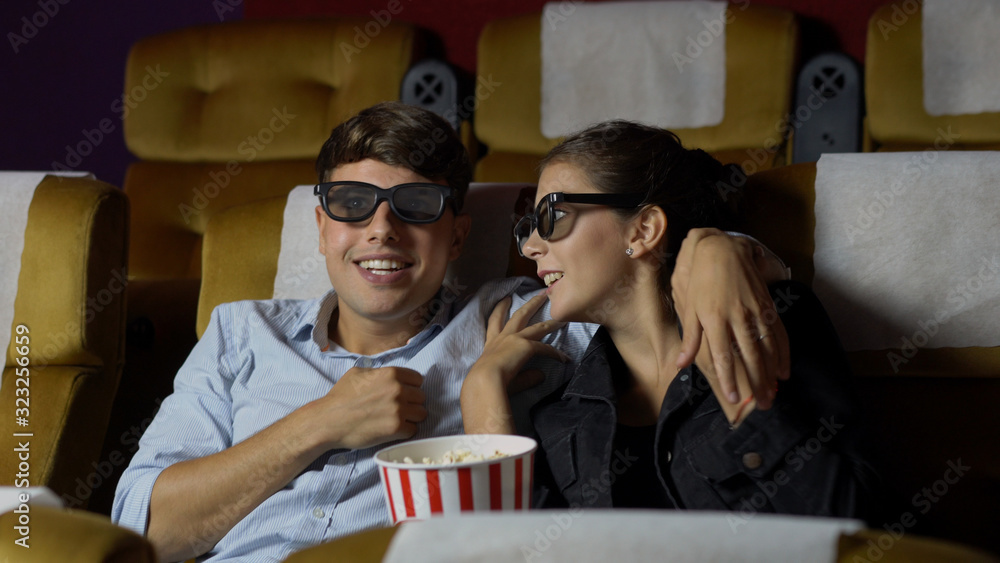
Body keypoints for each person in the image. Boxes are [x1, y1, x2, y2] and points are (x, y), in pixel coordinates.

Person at [112, 103, 791, 562]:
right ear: (321, 228)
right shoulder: (239, 330)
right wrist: (321, 422)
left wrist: (715, 245)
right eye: (353, 205)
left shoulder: (518, 316)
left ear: (458, 232)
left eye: (416, 205)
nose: (382, 228)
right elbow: (145, 529)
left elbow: (637, 279)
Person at [461, 121, 881, 519]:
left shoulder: (769, 317)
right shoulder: (561, 409)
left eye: (552, 216)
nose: (532, 246)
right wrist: (481, 397)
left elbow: (855, 521)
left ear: (643, 230)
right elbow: (520, 550)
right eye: (529, 227)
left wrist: (745, 400)